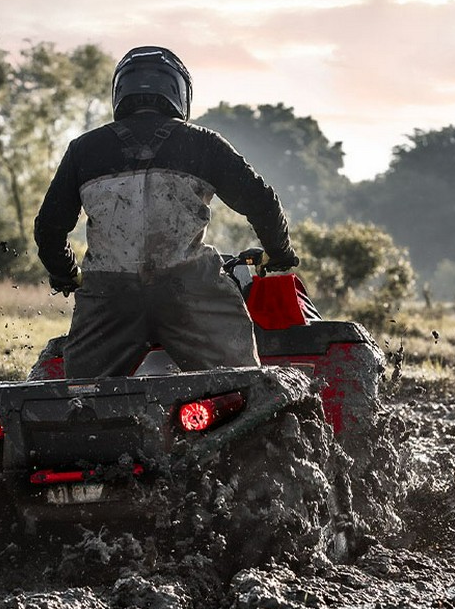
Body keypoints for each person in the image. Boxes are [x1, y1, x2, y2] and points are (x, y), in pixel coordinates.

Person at [34, 46, 299, 378]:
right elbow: (263, 203)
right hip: (191, 289)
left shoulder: (83, 149)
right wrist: (278, 253)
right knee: (241, 384)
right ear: (179, 92)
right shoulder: (203, 143)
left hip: (109, 297)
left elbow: (48, 229)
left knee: (82, 395)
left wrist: (67, 274)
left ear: (120, 92)